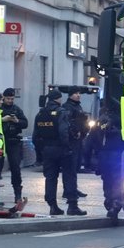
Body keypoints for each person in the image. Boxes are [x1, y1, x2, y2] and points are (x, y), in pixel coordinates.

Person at [32, 88, 84, 216]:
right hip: (62, 149)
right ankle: (72, 206)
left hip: (47, 150)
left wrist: (42, 150)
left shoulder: (40, 114)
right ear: (59, 98)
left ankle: (53, 206)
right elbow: (63, 132)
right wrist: (68, 147)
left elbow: (35, 137)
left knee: (50, 178)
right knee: (69, 176)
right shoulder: (62, 112)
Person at [94, 99, 124, 222]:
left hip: (104, 154)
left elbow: (94, 136)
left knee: (107, 179)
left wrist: (90, 157)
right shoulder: (123, 119)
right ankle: (115, 203)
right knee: (117, 179)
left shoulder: (102, 119)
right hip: (117, 153)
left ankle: (110, 202)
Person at [58, 87, 89, 208]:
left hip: (79, 139)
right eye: (76, 93)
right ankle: (68, 191)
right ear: (70, 95)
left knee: (75, 166)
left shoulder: (77, 106)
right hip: (72, 140)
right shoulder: (67, 107)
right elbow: (68, 123)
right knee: (69, 167)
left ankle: (74, 189)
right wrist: (75, 132)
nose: (78, 95)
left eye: (79, 93)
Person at [0, 88, 28, 204]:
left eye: (12, 99)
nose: (10, 101)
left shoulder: (17, 109)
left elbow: (25, 123)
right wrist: (3, 120)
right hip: (1, 140)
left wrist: (16, 121)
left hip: (13, 141)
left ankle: (17, 194)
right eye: (8, 99)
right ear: (3, 98)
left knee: (15, 168)